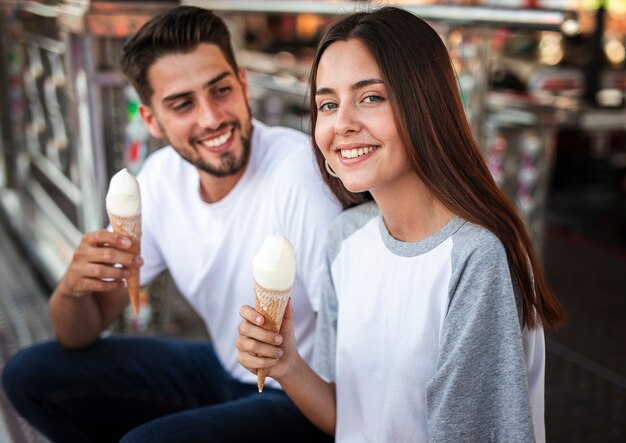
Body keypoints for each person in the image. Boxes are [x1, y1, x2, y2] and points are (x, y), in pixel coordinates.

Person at [2, 6, 340, 443]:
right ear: (151, 120)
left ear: (242, 84)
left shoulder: (299, 176)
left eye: (220, 91)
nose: (211, 117)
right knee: (30, 374)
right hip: (223, 372)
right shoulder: (160, 181)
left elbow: (360, 356)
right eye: (182, 104)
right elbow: (80, 331)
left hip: (305, 399)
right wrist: (73, 286)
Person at [236, 6, 566, 443]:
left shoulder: (478, 256)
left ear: (424, 103)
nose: (342, 124)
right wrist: (288, 365)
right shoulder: (345, 237)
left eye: (371, 97)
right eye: (328, 104)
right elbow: (349, 419)